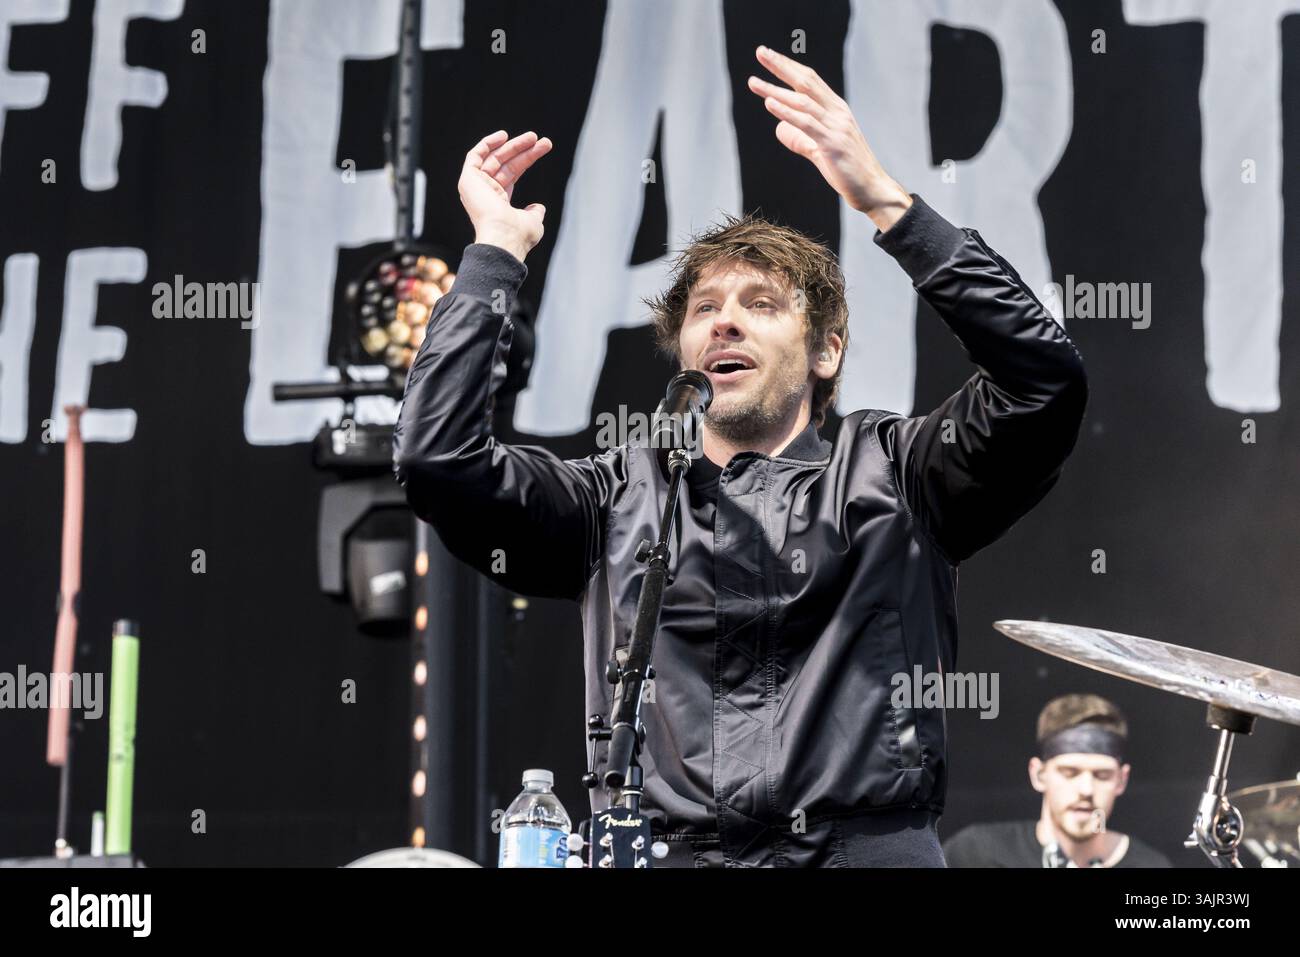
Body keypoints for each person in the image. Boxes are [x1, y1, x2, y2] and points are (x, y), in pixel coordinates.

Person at [392, 45, 1087, 867]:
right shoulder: (616, 496)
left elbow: (1043, 380)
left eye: (760, 305)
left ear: (826, 351)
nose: (725, 322)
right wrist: (492, 258)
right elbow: (437, 457)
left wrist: (889, 207)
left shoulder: (898, 472)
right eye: (705, 308)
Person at [943, 694, 1171, 867]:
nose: (1086, 789)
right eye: (1069, 772)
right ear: (1038, 774)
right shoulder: (975, 854)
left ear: (1122, 780)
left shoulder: (1151, 865)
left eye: (1102, 775)